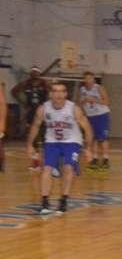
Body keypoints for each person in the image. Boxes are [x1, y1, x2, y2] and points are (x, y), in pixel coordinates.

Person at [26, 81, 92, 215]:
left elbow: (88, 128)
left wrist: (88, 148)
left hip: (72, 141)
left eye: (62, 91)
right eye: (55, 91)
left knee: (68, 168)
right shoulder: (43, 109)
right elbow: (35, 126)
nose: (59, 94)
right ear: (50, 94)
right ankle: (45, 202)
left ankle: (63, 200)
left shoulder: (74, 109)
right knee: (46, 169)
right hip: (52, 141)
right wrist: (29, 144)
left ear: (66, 94)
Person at [77, 71, 111, 171]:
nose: (88, 80)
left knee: (103, 138)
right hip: (90, 116)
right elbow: (79, 104)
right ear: (84, 80)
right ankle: (95, 159)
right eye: (86, 78)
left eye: (90, 78)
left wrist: (94, 100)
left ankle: (105, 159)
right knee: (93, 139)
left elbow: (107, 102)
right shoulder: (82, 89)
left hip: (101, 115)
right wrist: (83, 101)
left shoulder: (99, 88)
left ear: (93, 79)